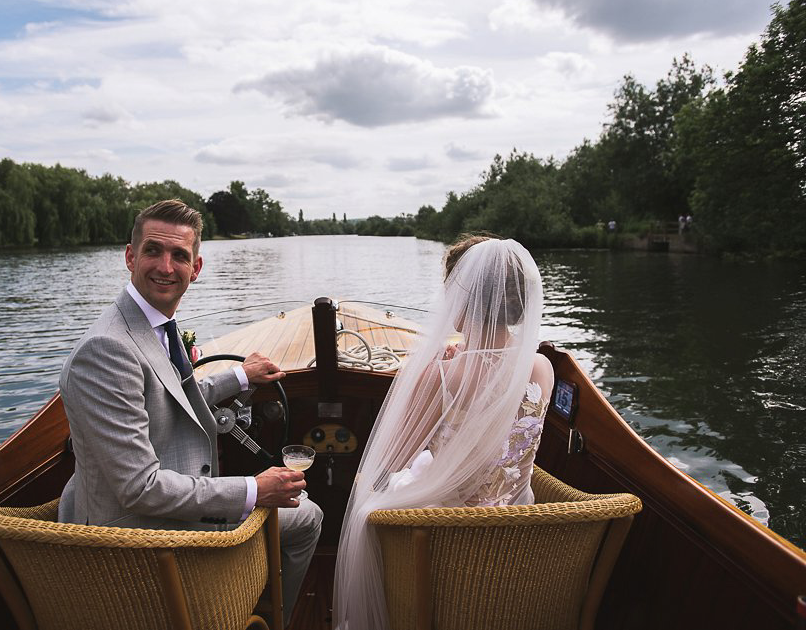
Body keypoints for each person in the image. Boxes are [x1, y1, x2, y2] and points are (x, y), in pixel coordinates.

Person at [58, 199, 322, 625]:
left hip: (155, 509)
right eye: (152, 251)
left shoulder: (153, 322)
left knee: (297, 504)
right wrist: (254, 489)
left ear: (195, 268)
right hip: (136, 539)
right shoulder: (106, 350)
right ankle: (269, 619)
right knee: (308, 516)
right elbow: (139, 489)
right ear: (130, 256)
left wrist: (240, 377)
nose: (165, 266)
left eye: (179, 255)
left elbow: (173, 394)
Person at [333, 234, 552, 629]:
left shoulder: (442, 375)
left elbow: (391, 461)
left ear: (461, 298)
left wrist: (438, 370)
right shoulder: (540, 369)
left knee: (368, 495)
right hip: (519, 532)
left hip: (447, 539)